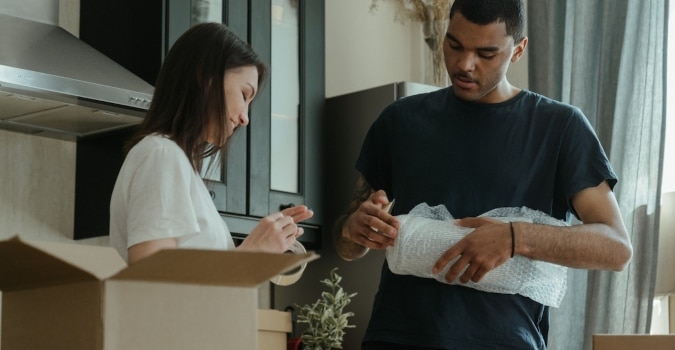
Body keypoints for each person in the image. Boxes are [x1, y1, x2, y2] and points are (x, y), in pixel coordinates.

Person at [333, 0, 633, 349]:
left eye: (486, 53)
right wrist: (354, 229)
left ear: (518, 50)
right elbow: (346, 247)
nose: (464, 64)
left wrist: (515, 238)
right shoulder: (399, 121)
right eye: (454, 45)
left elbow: (616, 248)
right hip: (395, 339)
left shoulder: (561, 128)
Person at [110, 22, 313, 264]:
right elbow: (151, 280)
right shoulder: (161, 154)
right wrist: (252, 253)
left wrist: (263, 246)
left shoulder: (180, 166)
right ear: (206, 78)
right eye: (244, 95)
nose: (245, 118)